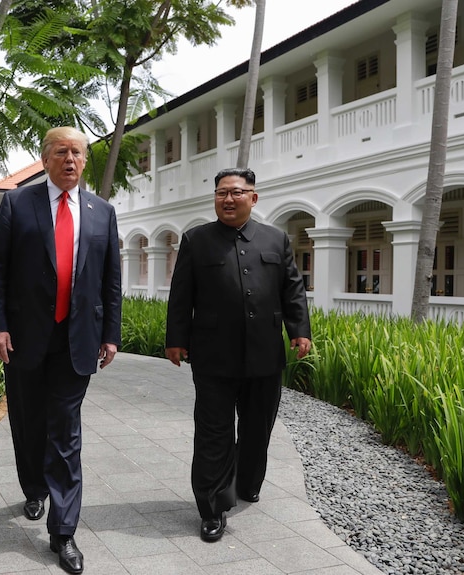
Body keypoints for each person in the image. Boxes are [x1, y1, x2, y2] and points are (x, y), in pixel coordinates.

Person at [0, 126, 122, 574]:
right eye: (61, 151)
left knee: (65, 431)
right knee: (27, 421)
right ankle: (33, 488)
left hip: (76, 340)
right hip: (24, 337)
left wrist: (111, 333)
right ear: (45, 158)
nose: (70, 160)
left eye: (77, 153)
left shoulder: (102, 212)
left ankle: (63, 532)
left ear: (85, 161)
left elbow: (110, 282)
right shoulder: (17, 204)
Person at [165, 167, 312, 543]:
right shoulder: (196, 240)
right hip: (214, 355)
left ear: (253, 197)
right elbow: (181, 294)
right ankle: (212, 508)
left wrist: (299, 331)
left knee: (257, 427)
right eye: (221, 193)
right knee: (214, 432)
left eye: (236, 192)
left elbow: (292, 289)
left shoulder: (276, 239)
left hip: (265, 354)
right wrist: (175, 339)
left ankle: (247, 482)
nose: (228, 199)